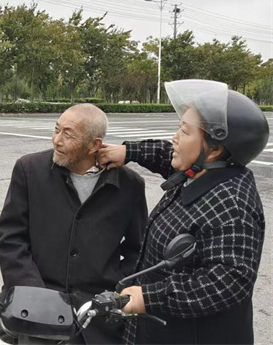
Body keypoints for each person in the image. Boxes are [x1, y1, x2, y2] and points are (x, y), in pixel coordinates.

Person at [98, 79, 269, 345]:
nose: (175, 138)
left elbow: (228, 281)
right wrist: (129, 151)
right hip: (158, 327)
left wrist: (151, 298)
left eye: (185, 132)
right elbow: (167, 154)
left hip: (190, 335)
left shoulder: (232, 205)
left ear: (215, 149)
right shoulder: (200, 172)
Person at [0, 103, 148, 344]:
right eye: (57, 129)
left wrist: (115, 291)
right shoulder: (30, 169)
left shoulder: (129, 185)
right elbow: (10, 238)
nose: (57, 140)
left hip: (96, 310)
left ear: (94, 145)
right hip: (32, 298)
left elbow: (137, 250)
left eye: (68, 134)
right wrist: (36, 294)